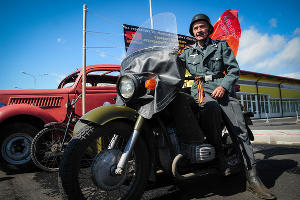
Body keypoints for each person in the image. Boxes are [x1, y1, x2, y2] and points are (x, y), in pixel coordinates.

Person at [179, 13, 276, 200]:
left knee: (239, 131)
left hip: (223, 90)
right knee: (209, 109)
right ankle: (219, 158)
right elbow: (172, 66)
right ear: (192, 32)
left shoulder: (221, 46)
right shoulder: (187, 52)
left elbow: (233, 70)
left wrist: (224, 86)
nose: (199, 30)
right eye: (195, 28)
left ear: (208, 29)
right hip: (201, 91)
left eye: (202, 27)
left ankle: (253, 178)